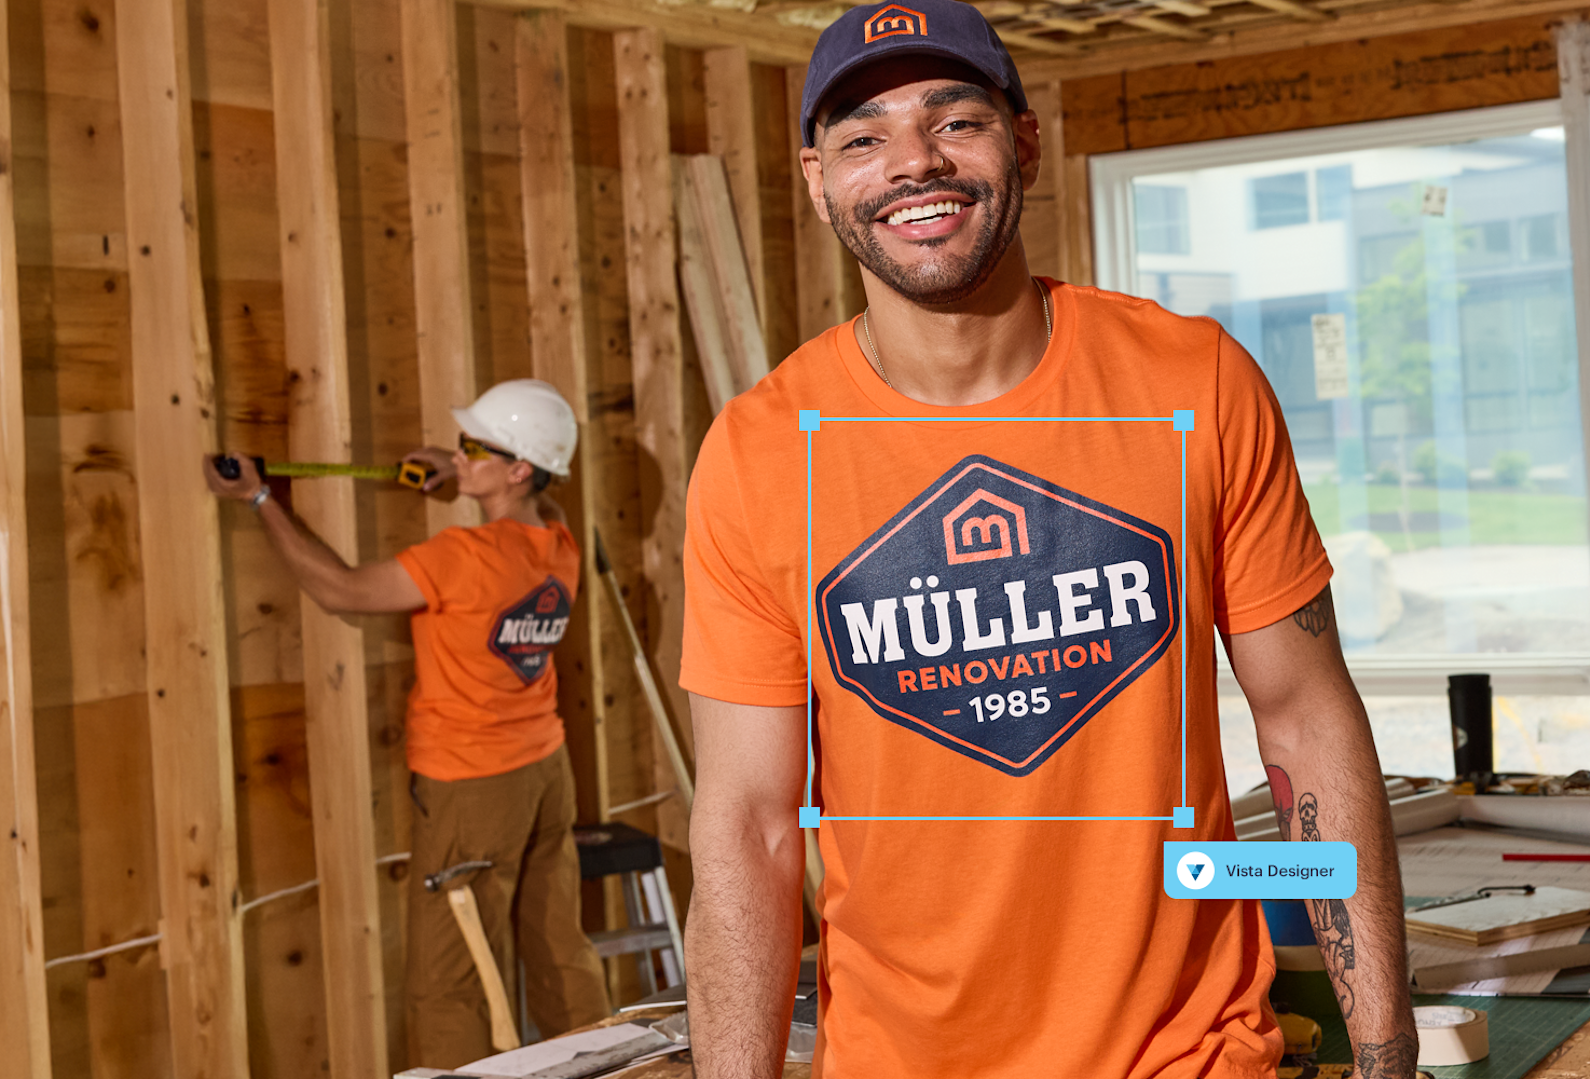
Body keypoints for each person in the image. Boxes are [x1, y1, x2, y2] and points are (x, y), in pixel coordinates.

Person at [676, 1, 1419, 1076]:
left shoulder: (1195, 383)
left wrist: (1387, 1050)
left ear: (1024, 142)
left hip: (1188, 1054)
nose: (914, 162)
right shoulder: (758, 455)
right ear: (818, 180)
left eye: (954, 121)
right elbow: (749, 826)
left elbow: (1305, 720)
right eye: (864, 138)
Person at [202, 378, 611, 1067]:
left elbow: (341, 589)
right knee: (557, 946)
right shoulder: (559, 543)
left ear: (517, 469)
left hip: (469, 787)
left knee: (448, 981)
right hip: (545, 773)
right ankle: (607, 1067)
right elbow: (543, 502)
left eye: (475, 446)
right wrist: (462, 472)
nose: (459, 452)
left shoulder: (463, 556)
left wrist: (261, 500)